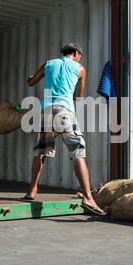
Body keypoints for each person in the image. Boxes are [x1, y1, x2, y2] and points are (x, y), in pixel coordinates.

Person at [24, 43, 105, 215]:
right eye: (79, 55)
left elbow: (31, 82)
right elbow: (79, 97)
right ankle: (88, 198)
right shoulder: (80, 69)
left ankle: (32, 190)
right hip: (65, 111)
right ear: (76, 53)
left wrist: (29, 77)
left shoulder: (48, 64)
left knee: (41, 152)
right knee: (78, 152)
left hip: (47, 111)